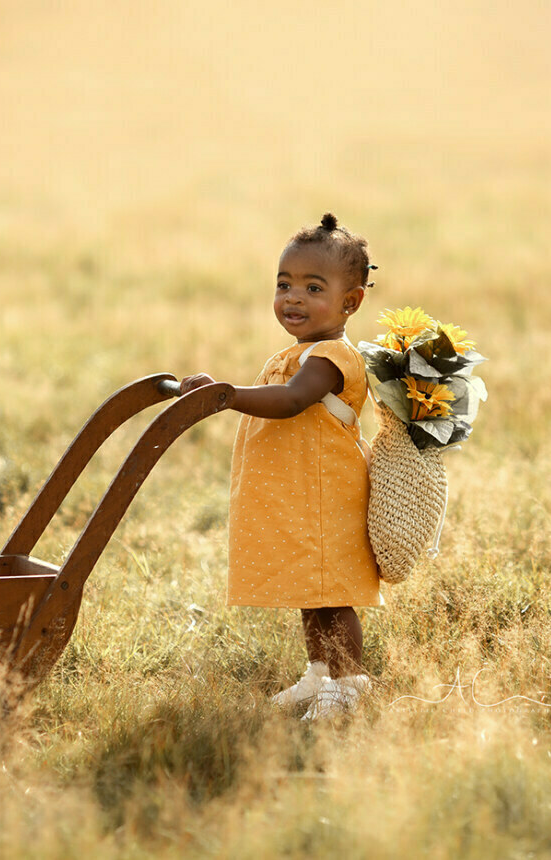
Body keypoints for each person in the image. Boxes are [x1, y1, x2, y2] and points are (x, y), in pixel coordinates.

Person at [179, 213, 380, 720]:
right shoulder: (297, 352)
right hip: (301, 494)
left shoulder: (331, 358)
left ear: (350, 302)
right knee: (310, 592)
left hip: (326, 495)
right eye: (284, 284)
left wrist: (226, 396)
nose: (293, 297)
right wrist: (223, 391)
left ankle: (350, 681)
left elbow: (292, 401)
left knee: (332, 595)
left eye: (314, 287)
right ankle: (319, 673)